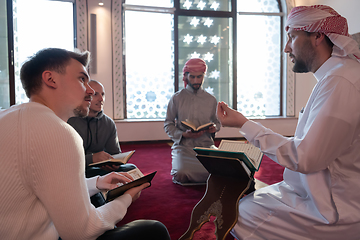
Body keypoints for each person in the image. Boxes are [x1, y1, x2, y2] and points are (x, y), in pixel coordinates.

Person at [216, 5, 360, 240]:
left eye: (292, 37)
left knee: (237, 213)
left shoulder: (340, 81)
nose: (286, 48)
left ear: (317, 36)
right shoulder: (338, 76)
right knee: (249, 200)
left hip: (332, 207)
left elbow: (305, 157)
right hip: (318, 191)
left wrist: (245, 124)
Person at [0, 48, 170, 240]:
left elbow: (38, 187)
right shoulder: (59, 132)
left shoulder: (7, 116)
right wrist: (125, 199)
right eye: (82, 79)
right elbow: (82, 232)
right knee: (154, 231)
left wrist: (96, 183)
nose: (90, 91)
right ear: (51, 79)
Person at [164, 58, 221, 185]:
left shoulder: (211, 99)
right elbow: (168, 123)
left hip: (206, 146)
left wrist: (214, 128)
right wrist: (183, 134)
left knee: (222, 171)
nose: (196, 81)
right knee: (181, 173)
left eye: (199, 77)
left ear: (204, 76)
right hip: (184, 147)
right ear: (186, 76)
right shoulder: (177, 98)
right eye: (193, 77)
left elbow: (217, 122)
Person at [68, 80, 136, 178]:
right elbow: (65, 160)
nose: (101, 99)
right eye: (95, 94)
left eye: (103, 94)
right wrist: (91, 158)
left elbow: (115, 154)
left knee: (131, 170)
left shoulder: (108, 123)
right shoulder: (70, 121)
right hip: (77, 170)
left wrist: (114, 165)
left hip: (98, 170)